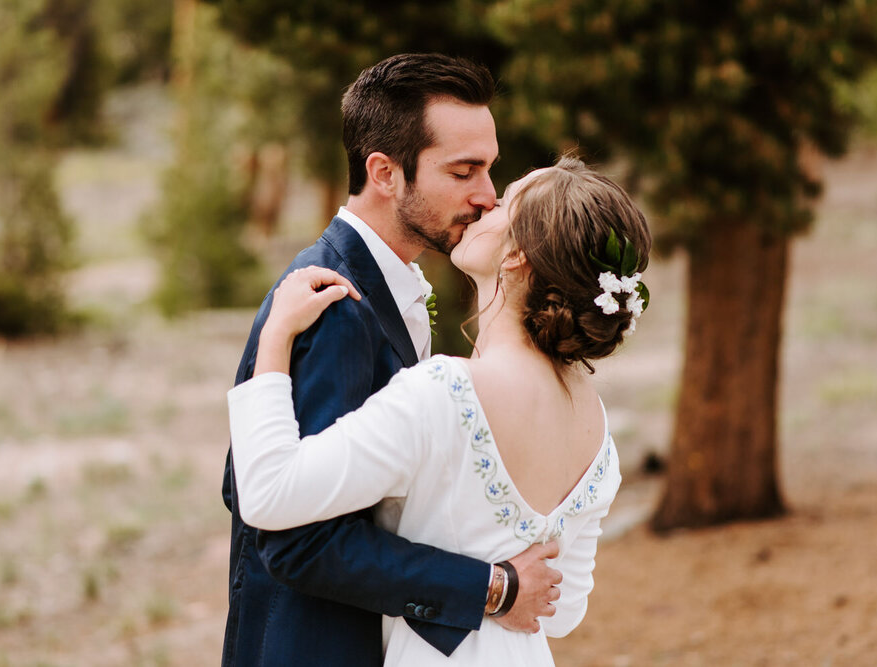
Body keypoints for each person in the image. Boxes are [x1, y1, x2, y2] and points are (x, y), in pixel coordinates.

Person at [228, 156, 652, 665]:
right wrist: (499, 586)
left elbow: (269, 493)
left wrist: (275, 337)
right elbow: (562, 611)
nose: (486, 203)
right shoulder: (596, 426)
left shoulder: (446, 393)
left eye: (504, 205)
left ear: (518, 258)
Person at [221, 53, 562, 667]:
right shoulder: (334, 303)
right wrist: (489, 586)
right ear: (384, 172)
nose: (487, 196)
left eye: (489, 168)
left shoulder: (389, 283)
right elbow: (295, 539)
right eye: (464, 171)